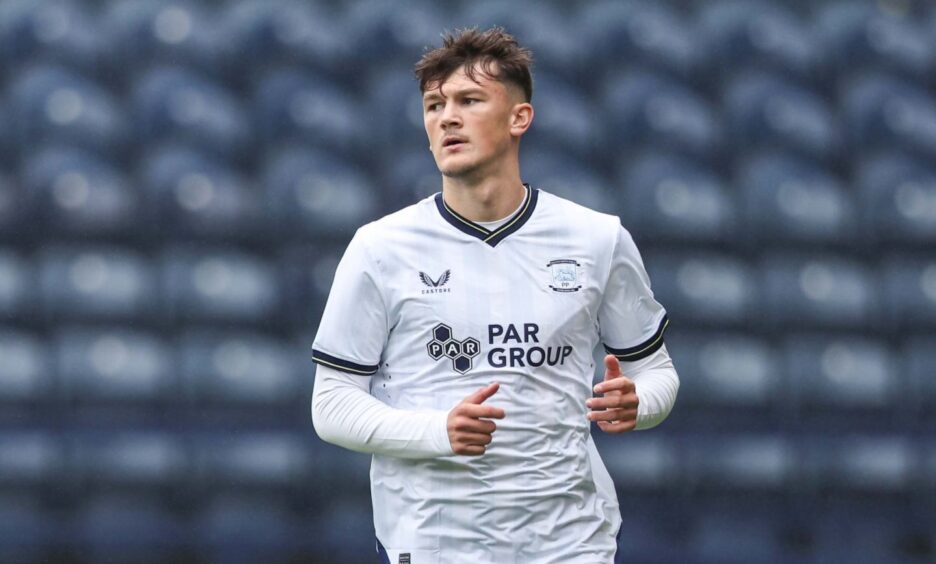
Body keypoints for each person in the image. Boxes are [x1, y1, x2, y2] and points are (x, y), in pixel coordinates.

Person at [311, 27, 679, 563]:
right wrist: (438, 430)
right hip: (437, 541)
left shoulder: (597, 239)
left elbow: (658, 372)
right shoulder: (380, 248)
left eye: (469, 100)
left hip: (570, 539)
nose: (447, 117)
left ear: (518, 118)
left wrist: (639, 403)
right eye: (434, 105)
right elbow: (331, 405)